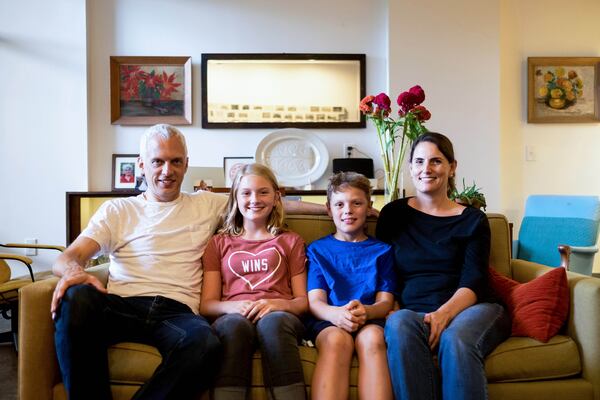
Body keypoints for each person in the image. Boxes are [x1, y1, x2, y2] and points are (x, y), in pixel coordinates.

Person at [50, 124, 325, 400]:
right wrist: (74, 271)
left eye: (175, 161)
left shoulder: (205, 203)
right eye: (158, 161)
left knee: (206, 343)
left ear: (186, 164)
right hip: (124, 305)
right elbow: (68, 257)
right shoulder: (118, 210)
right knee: (75, 297)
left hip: (177, 313)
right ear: (142, 164)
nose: (167, 171)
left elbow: (265, 201)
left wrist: (334, 208)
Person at [376, 132, 511, 400]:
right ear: (411, 168)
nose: (426, 169)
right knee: (399, 323)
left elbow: (473, 280)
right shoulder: (393, 215)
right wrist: (391, 306)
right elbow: (383, 272)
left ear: (452, 167)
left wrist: (443, 314)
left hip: (471, 308)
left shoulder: (472, 220)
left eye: (436, 161)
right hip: (414, 310)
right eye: (419, 161)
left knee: (455, 339)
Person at [201, 163, 308, 400]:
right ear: (235, 197)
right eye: (246, 193)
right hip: (233, 317)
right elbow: (207, 305)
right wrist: (233, 307)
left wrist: (280, 304)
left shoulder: (290, 241)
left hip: (281, 317)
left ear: (276, 196)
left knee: (273, 323)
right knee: (233, 325)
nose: (254, 199)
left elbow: (302, 301)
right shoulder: (219, 243)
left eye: (263, 192)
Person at [305, 172, 396, 400]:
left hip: (370, 318)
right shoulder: (317, 250)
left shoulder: (383, 251)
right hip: (329, 318)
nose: (348, 210)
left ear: (369, 207)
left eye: (357, 203)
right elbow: (316, 302)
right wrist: (336, 315)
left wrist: (367, 312)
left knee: (373, 339)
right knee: (337, 340)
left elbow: (385, 302)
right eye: (339, 204)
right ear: (328, 209)